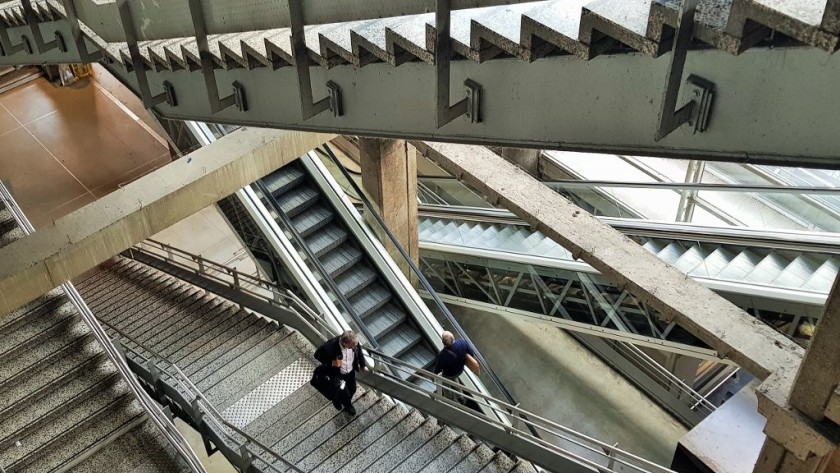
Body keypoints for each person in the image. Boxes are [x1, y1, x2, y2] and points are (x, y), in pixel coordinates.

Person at [313, 330, 366, 416]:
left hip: (350, 371)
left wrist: (362, 364)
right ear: (345, 343)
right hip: (337, 374)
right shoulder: (330, 346)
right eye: (352, 345)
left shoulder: (354, 342)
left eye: (355, 345)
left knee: (352, 389)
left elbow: (359, 352)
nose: (354, 347)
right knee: (343, 391)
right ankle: (347, 405)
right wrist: (331, 363)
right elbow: (317, 355)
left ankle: (339, 399)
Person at [433, 331, 476, 404]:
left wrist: (434, 376)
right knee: (454, 378)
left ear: (443, 343)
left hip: (449, 374)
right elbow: (471, 354)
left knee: (443, 381)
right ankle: (461, 397)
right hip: (459, 370)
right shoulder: (462, 343)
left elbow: (438, 369)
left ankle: (451, 400)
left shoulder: (442, 355)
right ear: (453, 338)